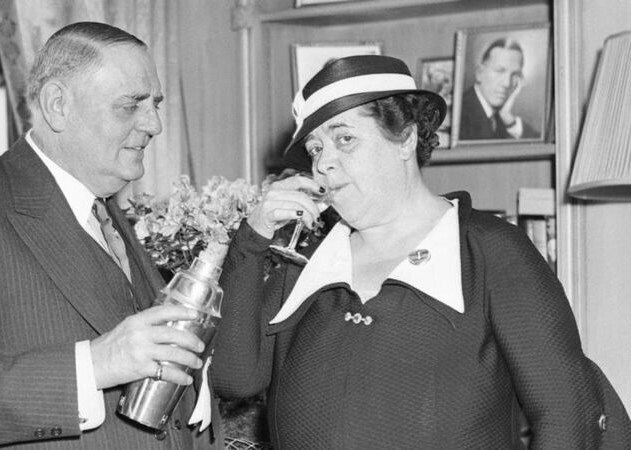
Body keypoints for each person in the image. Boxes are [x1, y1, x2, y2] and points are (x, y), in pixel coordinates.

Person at [211, 55, 630, 448]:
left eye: (345, 139)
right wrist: (252, 239)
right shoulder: (307, 258)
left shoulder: (490, 250)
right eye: (316, 149)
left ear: (406, 139)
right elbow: (235, 378)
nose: (323, 164)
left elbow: (567, 413)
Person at [0, 22, 221, 449]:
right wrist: (96, 364)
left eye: (155, 104)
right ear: (57, 105)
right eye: (130, 105)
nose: (154, 124)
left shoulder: (105, 210)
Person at [459, 38, 540, 140]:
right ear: (479, 73)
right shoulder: (458, 114)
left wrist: (509, 119)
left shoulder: (501, 116)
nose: (507, 83)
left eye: (515, 74)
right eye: (499, 71)